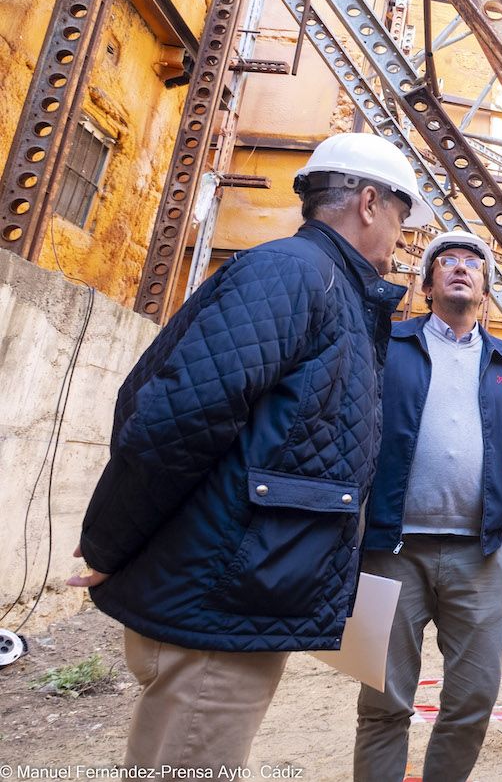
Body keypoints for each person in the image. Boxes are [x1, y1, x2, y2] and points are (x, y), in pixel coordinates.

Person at [67, 132, 432, 772]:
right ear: (369, 202)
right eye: (404, 218)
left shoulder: (327, 287)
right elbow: (177, 415)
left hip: (241, 588)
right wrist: (107, 543)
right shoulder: (294, 275)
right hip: (223, 595)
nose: (404, 239)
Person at [354, 228, 502, 781]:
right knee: (383, 702)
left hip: (480, 555)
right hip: (392, 549)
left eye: (473, 263)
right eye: (447, 262)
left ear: (484, 288)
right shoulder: (390, 344)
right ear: (428, 284)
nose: (461, 268)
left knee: (472, 699)